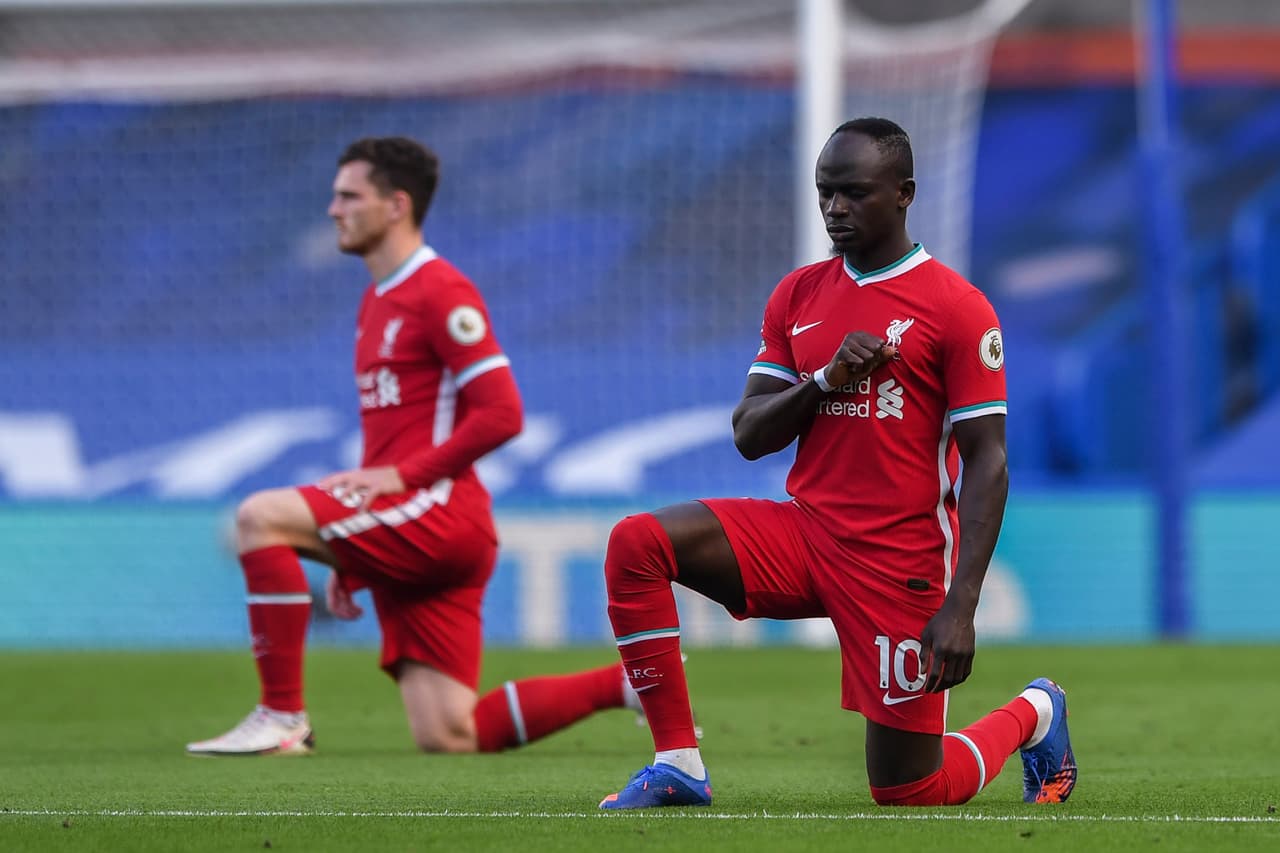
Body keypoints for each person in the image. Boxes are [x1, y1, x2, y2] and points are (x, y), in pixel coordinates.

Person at [597, 118, 1076, 809]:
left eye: (854, 193)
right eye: (826, 193)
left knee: (912, 790)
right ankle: (678, 762)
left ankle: (1036, 711)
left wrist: (961, 605)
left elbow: (988, 462)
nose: (835, 209)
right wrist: (823, 380)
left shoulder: (957, 308)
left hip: (897, 559)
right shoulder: (798, 295)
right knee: (637, 543)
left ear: (904, 193)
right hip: (806, 534)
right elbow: (750, 432)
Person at [188, 136, 641, 756]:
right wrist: (355, 553)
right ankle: (629, 683)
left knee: (258, 517)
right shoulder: (378, 299)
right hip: (418, 521)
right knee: (450, 732)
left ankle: (281, 716)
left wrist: (403, 480)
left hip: (438, 513)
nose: (333, 209)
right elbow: (393, 437)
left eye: (349, 196)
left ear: (396, 205)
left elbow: (503, 413)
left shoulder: (439, 291)